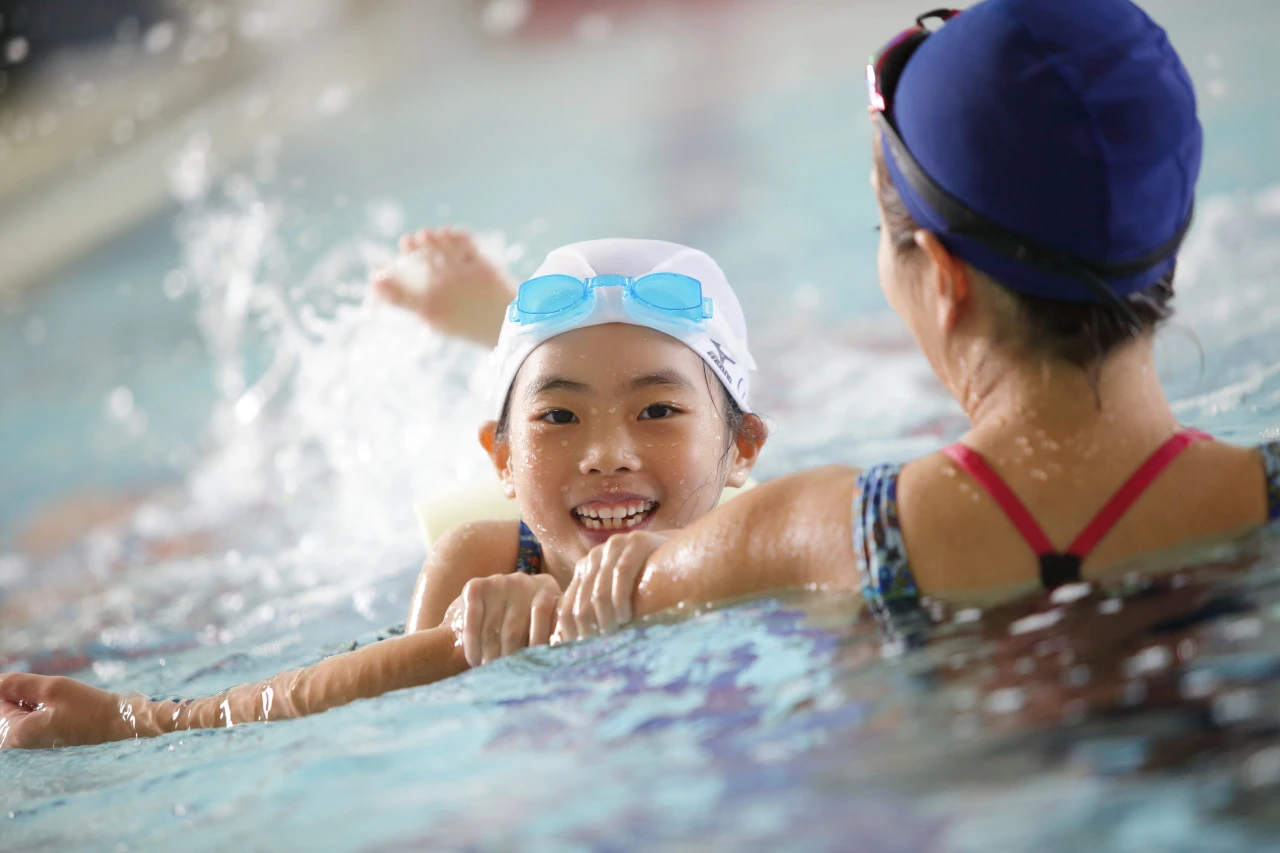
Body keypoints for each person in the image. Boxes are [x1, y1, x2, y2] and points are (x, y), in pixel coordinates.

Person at [548, 0, 1280, 641]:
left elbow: (552, 616)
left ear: (944, 276)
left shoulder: (819, 533)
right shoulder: (1261, 496)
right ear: (1170, 235)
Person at [0, 238, 767, 749]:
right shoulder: (481, 556)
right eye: (558, 416)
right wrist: (482, 657)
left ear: (742, 449)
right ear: (500, 460)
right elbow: (393, 727)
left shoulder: (772, 542)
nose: (606, 454)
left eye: (658, 411)